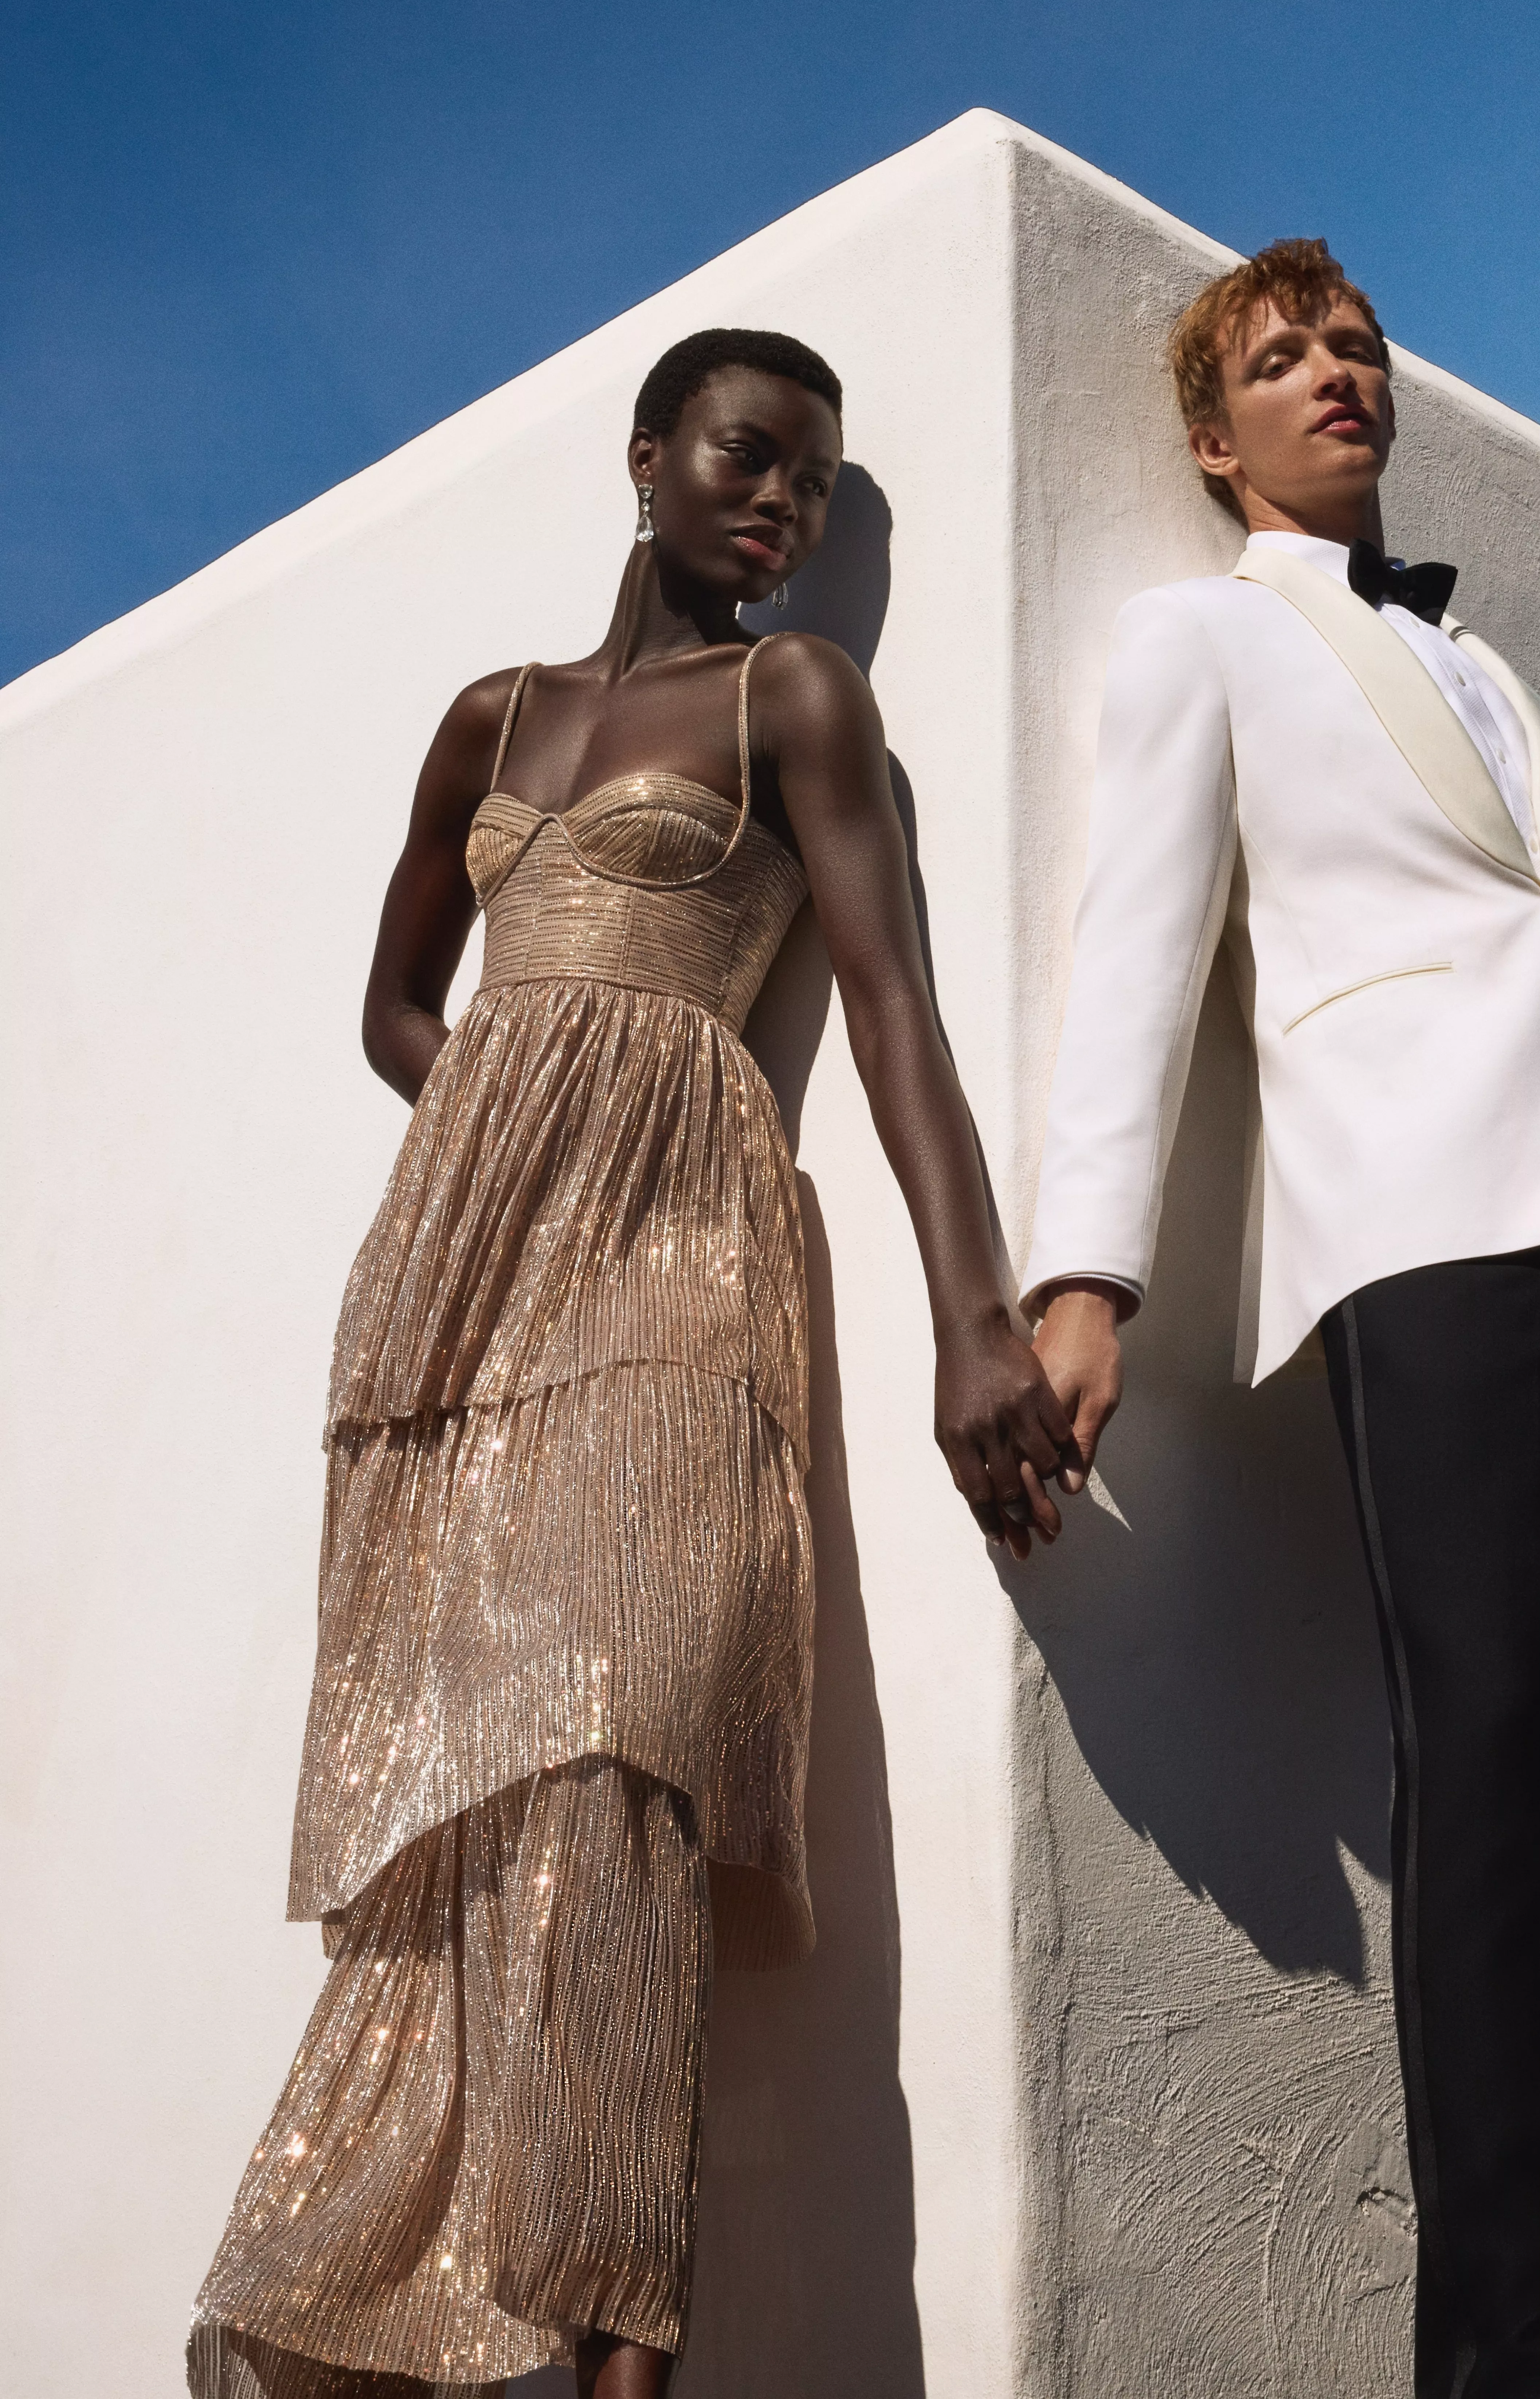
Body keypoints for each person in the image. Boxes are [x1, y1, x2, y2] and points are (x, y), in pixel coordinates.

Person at [189, 327, 1072, 2399]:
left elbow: (890, 1009)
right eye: (747, 458)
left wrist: (974, 1318)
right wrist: (506, 1119)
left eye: (813, 485)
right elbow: (402, 1006)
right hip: (451, 1308)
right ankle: (360, 2315)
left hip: (680, 1278)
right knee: (458, 1804)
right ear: (648, 459)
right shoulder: (492, 720)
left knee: (622, 1778)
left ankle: (599, 2356)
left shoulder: (795, 700)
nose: (777, 504)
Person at [1022, 243, 1540, 2399]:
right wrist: (1083, 1274)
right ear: (1214, 439)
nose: (1330, 377)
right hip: (1430, 1242)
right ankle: (1511, 2361)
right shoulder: (1197, 638)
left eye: (1352, 347)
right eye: (1277, 363)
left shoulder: (1479, 660)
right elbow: (1136, 947)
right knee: (1479, 1789)